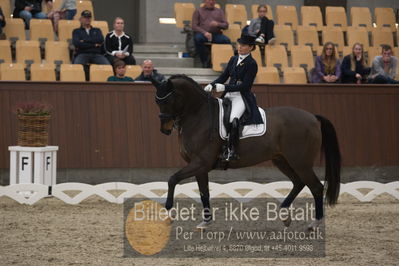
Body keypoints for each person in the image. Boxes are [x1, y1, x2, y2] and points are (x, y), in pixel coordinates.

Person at [204, 34, 262, 162]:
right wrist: (211, 84)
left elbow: (246, 86)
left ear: (251, 48)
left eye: (244, 45)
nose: (240, 47)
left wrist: (225, 88)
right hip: (228, 95)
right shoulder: (233, 59)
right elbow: (223, 77)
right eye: (239, 44)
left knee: (232, 119)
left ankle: (232, 150)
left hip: (241, 97)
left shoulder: (252, 64)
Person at [192, 0, 231, 68]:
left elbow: (226, 25)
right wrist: (204, 32)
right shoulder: (198, 11)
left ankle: (221, 61)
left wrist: (218, 24)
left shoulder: (219, 11)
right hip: (203, 34)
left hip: (216, 34)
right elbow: (194, 26)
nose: (211, 2)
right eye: (209, 0)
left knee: (226, 40)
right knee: (198, 39)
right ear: (205, 1)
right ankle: (204, 60)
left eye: (213, 0)